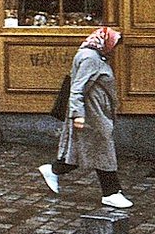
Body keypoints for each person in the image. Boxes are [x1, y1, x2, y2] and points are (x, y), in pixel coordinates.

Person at [40, 27, 131, 208]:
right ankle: (111, 192)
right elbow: (77, 88)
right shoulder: (90, 58)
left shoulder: (95, 55)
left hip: (95, 111)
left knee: (84, 150)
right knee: (103, 149)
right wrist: (78, 115)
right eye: (113, 44)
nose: (114, 49)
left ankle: (54, 169)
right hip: (91, 113)